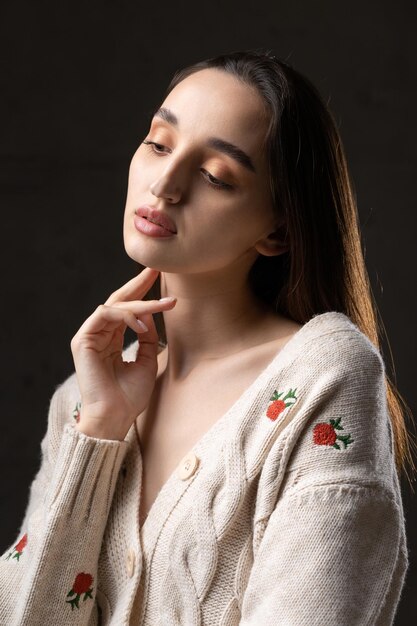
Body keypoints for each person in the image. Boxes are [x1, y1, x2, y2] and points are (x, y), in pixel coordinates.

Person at [0, 49, 412, 625]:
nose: (165, 185)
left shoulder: (324, 378)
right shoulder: (83, 401)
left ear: (277, 229)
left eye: (216, 176)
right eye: (158, 144)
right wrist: (97, 433)